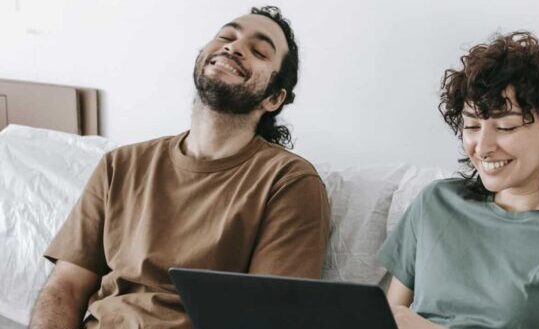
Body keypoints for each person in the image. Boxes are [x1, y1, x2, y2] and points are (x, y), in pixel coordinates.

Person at [29, 6, 330, 329]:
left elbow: (269, 318)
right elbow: (66, 288)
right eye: (226, 36)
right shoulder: (120, 165)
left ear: (273, 98)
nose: (234, 46)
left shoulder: (289, 182)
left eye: (259, 51)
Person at [378, 32, 539, 329]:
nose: (483, 146)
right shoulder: (436, 203)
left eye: (506, 127)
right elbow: (383, 317)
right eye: (472, 125)